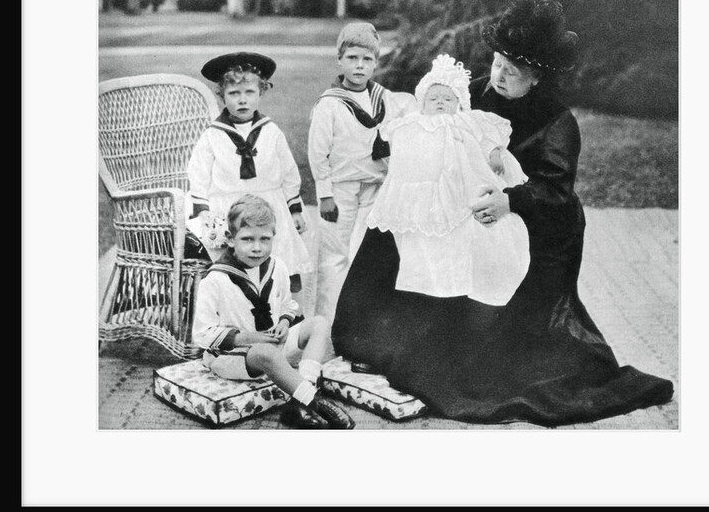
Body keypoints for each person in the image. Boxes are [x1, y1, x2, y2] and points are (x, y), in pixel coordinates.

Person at [332, 0, 674, 427]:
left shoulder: (556, 120)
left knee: (497, 278)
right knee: (399, 226)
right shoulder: (471, 92)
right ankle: (375, 333)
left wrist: (509, 200)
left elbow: (555, 189)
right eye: (496, 64)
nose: (499, 76)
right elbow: (431, 128)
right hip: (466, 201)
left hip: (536, 216)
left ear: (536, 78)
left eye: (512, 72)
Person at [366, 53, 530, 306]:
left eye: (447, 99)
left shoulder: (466, 120)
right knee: (424, 238)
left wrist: (494, 151)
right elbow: (392, 141)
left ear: (459, 102)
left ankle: (470, 280)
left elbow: (487, 135)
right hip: (425, 185)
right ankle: (428, 283)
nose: (440, 103)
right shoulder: (415, 123)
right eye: (433, 99)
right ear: (422, 103)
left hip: (463, 180)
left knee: (470, 230)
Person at [192, 195, 355, 430]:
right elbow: (203, 334)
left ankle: (299, 401)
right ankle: (316, 401)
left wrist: (285, 322)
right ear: (230, 239)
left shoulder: (277, 266)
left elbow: (287, 305)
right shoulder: (215, 279)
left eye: (264, 239)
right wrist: (248, 338)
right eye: (247, 239)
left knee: (319, 323)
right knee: (266, 353)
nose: (257, 247)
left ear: (273, 238)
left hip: (271, 343)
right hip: (234, 355)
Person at [307, 22, 412, 321]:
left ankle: (360, 324)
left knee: (368, 255)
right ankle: (324, 328)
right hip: (340, 189)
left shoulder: (385, 99)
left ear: (376, 63)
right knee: (333, 257)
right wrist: (324, 194)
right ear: (340, 60)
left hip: (376, 187)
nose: (359, 66)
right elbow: (317, 153)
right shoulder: (330, 104)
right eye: (352, 58)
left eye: (367, 59)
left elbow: (403, 132)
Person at [188, 52, 311, 293]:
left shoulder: (271, 131)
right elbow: (198, 174)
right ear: (222, 96)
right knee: (236, 270)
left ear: (261, 93)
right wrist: (204, 214)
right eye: (234, 94)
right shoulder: (213, 135)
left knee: (283, 262)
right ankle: (241, 313)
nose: (242, 100)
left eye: (249, 93)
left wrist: (294, 208)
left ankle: (289, 316)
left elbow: (288, 172)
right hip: (229, 207)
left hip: (270, 204)